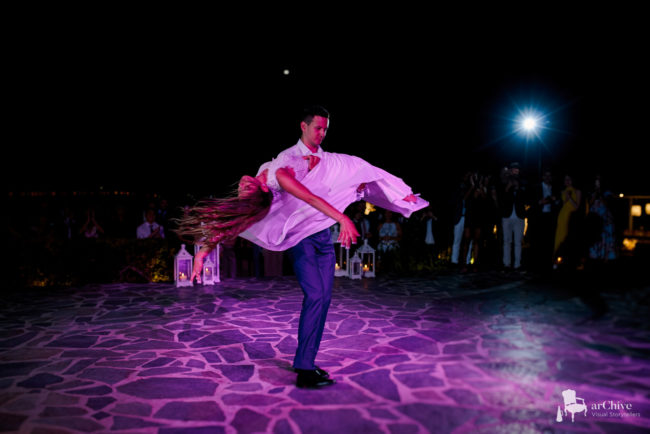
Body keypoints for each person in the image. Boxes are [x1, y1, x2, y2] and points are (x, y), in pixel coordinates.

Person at [176, 105, 427, 389]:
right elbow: (305, 199)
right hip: (301, 239)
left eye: (325, 129)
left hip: (322, 236)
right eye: (317, 128)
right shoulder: (282, 168)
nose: (321, 133)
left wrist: (397, 194)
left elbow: (348, 173)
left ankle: (306, 361)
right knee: (315, 294)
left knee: (323, 299)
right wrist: (343, 218)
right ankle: (305, 369)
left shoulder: (312, 163)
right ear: (303, 126)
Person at [498, 162, 528, 272]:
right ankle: (506, 264)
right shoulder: (504, 182)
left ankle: (517, 265)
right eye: (513, 169)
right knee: (506, 241)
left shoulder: (523, 182)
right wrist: (508, 187)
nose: (515, 171)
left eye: (517, 169)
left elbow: (527, 197)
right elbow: (501, 199)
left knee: (518, 242)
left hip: (519, 216)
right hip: (507, 215)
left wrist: (518, 187)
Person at [528, 169, 559, 274]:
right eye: (546, 175)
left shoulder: (555, 188)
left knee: (549, 242)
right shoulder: (536, 187)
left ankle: (547, 266)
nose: (547, 177)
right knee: (538, 242)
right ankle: (537, 266)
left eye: (549, 175)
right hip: (539, 217)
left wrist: (554, 201)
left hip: (550, 217)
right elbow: (530, 201)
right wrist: (539, 202)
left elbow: (558, 203)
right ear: (542, 177)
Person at [553, 174, 582, 268]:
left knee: (570, 237)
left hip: (572, 217)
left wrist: (570, 197)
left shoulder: (577, 191)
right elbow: (563, 204)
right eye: (566, 180)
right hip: (562, 215)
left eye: (569, 179)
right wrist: (565, 197)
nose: (567, 181)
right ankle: (557, 260)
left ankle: (570, 261)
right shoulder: (563, 191)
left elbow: (576, 206)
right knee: (560, 236)